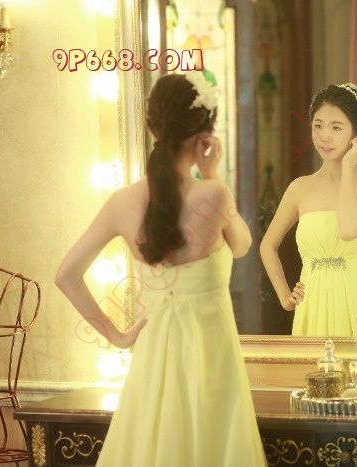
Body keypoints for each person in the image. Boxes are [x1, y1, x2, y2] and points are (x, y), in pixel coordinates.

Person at [54, 72, 267, 466]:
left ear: (152, 128)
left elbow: (65, 274)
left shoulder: (121, 202)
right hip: (212, 365)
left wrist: (118, 337)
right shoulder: (213, 194)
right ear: (204, 136)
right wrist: (213, 173)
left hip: (151, 366)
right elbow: (241, 246)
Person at [260, 83, 357, 337]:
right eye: (318, 125)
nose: (324, 136)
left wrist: (348, 168)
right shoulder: (300, 188)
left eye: (336, 127)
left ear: (356, 134)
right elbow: (268, 245)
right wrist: (285, 297)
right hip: (312, 310)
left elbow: (349, 229)